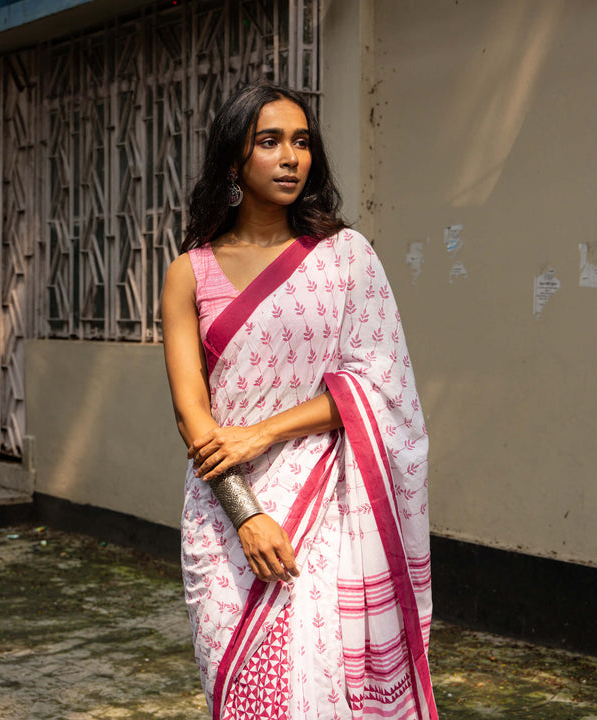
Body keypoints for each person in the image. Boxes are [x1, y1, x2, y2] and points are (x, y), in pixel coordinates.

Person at [161, 82, 437, 720]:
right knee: (242, 692)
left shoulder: (345, 258)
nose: (291, 157)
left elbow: (377, 381)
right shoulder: (189, 270)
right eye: (270, 141)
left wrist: (262, 433)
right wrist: (247, 514)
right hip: (223, 507)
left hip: (330, 505)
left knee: (322, 687)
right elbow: (190, 411)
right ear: (234, 159)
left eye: (302, 142)